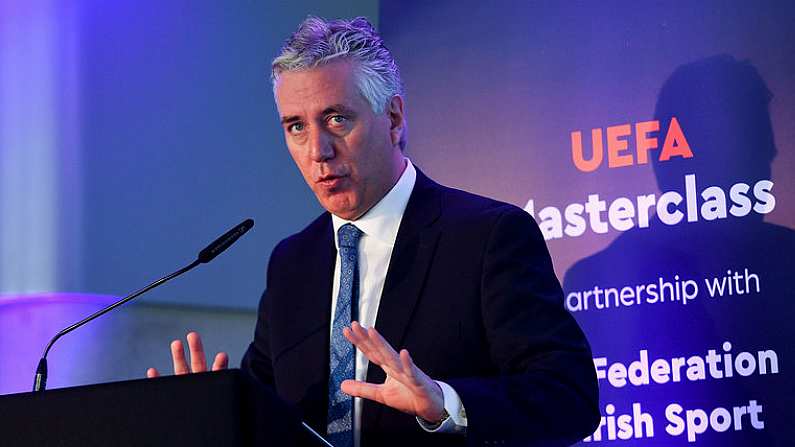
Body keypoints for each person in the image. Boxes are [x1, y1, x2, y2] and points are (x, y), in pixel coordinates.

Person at [148, 16, 599, 447]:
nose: (317, 151)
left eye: (337, 119)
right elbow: (270, 417)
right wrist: (212, 414)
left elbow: (569, 398)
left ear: (395, 120)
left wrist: (446, 404)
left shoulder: (486, 238)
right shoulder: (292, 264)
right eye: (296, 127)